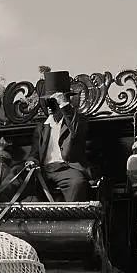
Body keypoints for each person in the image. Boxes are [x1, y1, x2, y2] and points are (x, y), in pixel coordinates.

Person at [25, 70, 90, 202]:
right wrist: (31, 161)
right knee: (18, 176)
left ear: (62, 101)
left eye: (52, 101)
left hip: (67, 170)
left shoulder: (77, 120)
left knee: (78, 184)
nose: (48, 105)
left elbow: (76, 131)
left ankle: (72, 221)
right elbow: (34, 154)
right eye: (46, 101)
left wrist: (64, 105)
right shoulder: (41, 127)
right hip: (43, 171)